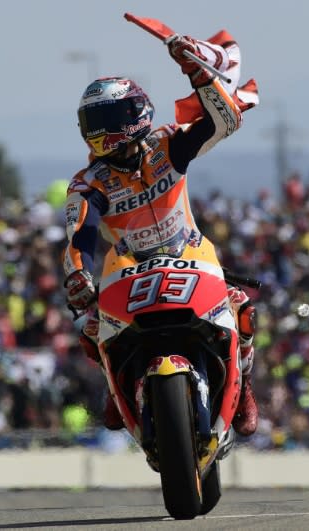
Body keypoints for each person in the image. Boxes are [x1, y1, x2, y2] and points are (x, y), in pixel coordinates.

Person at [61, 36, 258, 436]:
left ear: (134, 113)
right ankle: (116, 389)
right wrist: (77, 275)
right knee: (91, 330)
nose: (102, 131)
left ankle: (246, 386)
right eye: (94, 123)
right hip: (131, 269)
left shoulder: (167, 146)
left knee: (242, 307)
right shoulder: (88, 183)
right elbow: (79, 234)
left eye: (110, 118)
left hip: (190, 254)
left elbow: (226, 121)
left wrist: (199, 73)